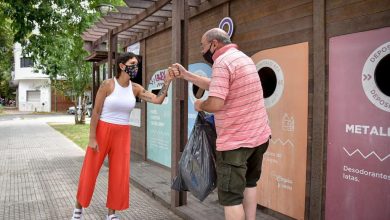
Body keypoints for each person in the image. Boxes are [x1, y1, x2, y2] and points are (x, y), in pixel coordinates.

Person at [171, 28, 271, 220]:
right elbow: (218, 84)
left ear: (214, 44)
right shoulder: (242, 58)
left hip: (236, 144)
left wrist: (200, 104)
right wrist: (187, 75)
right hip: (259, 138)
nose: (202, 51)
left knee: (231, 198)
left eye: (203, 46)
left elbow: (216, 103)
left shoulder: (222, 63)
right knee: (250, 184)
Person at [71, 52, 174, 220]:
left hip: (123, 133)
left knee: (119, 174)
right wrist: (92, 137)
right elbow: (96, 112)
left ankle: (111, 214)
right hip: (102, 130)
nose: (136, 67)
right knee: (90, 171)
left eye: (137, 64)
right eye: (133, 63)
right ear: (122, 66)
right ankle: (78, 210)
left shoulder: (136, 88)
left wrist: (167, 81)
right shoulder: (107, 85)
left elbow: (157, 100)